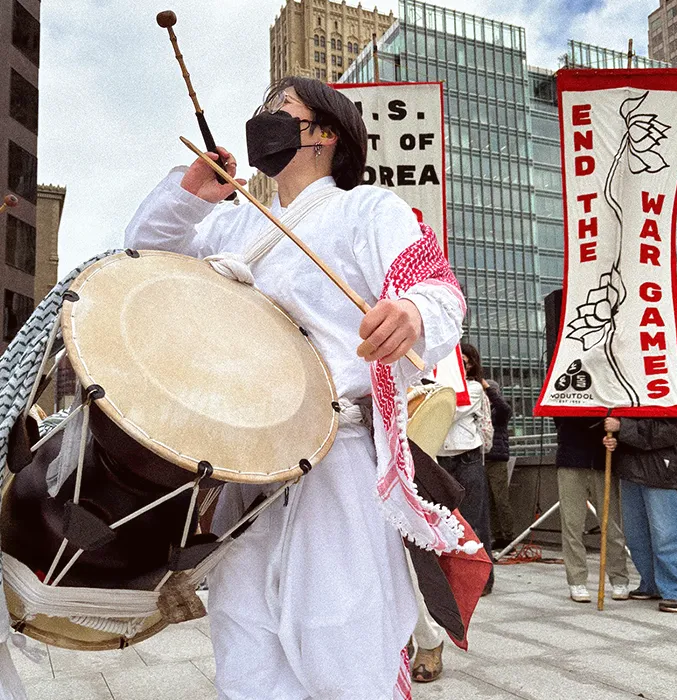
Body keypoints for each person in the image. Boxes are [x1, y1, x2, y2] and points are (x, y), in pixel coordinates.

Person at [125, 76, 466, 700]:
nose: (265, 122)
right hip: (246, 464)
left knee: (342, 634)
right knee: (246, 635)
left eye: (282, 112)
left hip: (336, 454)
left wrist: (411, 313)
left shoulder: (369, 209)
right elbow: (146, 259)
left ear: (326, 134)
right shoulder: (232, 229)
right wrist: (191, 198)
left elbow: (436, 287)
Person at [603, 417, 677, 613]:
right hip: (631, 468)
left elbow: (674, 429)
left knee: (668, 533)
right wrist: (615, 439)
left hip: (662, 469)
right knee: (637, 535)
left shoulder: (673, 390)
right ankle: (653, 583)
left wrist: (622, 427)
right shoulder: (628, 391)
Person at [437, 343, 494, 595]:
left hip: (467, 457)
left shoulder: (473, 388)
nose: (462, 365)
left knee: (474, 521)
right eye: (457, 361)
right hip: (442, 458)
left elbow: (450, 411)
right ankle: (454, 580)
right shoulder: (436, 386)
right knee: (447, 523)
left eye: (466, 361)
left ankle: (482, 580)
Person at [554, 417, 629, 603]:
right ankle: (576, 580)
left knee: (611, 524)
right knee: (572, 524)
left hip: (603, 458)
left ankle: (619, 578)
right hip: (571, 457)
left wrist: (615, 434)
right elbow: (559, 417)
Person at [483, 379, 514, 550]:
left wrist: (489, 392)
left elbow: (504, 408)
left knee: (501, 499)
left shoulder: (500, 411)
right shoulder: (483, 410)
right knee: (489, 501)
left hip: (497, 458)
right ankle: (497, 535)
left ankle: (508, 535)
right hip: (484, 458)